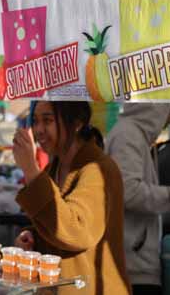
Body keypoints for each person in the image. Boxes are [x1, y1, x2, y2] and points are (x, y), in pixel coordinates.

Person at [12, 101, 130, 294]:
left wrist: (31, 171)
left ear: (77, 123)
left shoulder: (99, 169)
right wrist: (31, 235)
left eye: (48, 120)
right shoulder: (55, 166)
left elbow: (76, 232)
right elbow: (56, 221)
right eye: (35, 121)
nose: (39, 129)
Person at [106, 103, 170, 295]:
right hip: (132, 266)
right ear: (156, 106)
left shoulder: (135, 136)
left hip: (135, 261)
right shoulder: (128, 136)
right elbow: (129, 192)